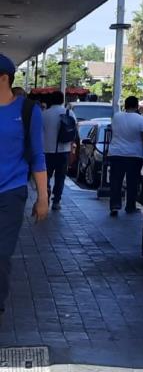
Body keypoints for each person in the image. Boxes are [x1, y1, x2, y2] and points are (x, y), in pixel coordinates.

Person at [0, 54, 47, 321]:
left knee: (1, 254)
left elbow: (38, 155)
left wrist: (43, 197)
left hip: (11, 191)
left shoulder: (27, 111)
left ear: (4, 78)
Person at [108, 96, 143, 216]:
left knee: (115, 181)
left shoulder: (117, 117)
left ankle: (115, 205)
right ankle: (130, 206)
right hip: (134, 155)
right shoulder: (140, 119)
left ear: (125, 105)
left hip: (116, 153)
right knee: (132, 182)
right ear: (137, 105)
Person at [40, 90, 75, 211]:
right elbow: (74, 132)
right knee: (60, 177)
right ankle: (56, 201)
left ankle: (46, 191)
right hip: (63, 150)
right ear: (62, 100)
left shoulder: (44, 114)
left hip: (46, 150)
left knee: (46, 175)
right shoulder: (69, 113)